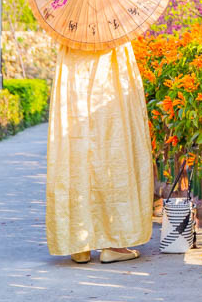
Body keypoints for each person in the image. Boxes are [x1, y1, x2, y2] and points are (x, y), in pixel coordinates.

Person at [46, 42, 153, 264]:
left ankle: (78, 244)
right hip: (111, 69)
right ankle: (113, 242)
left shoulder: (68, 17)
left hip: (74, 68)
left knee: (76, 151)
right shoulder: (112, 16)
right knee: (114, 150)